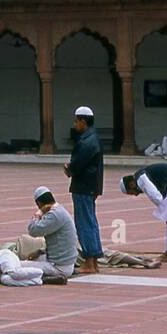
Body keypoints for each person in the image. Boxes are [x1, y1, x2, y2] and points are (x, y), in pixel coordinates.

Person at [64, 106, 103, 274]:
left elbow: (77, 165)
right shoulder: (93, 138)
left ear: (83, 121)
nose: (75, 124)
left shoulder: (86, 141)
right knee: (91, 222)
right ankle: (94, 261)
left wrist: (69, 169)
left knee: (84, 223)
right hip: (91, 186)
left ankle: (89, 261)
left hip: (83, 187)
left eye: (76, 121)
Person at [26, 186, 79, 283]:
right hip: (65, 263)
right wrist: (40, 251)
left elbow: (33, 230)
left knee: (19, 265)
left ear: (39, 203)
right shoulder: (59, 210)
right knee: (34, 259)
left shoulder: (54, 215)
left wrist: (39, 213)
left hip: (60, 267)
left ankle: (47, 279)